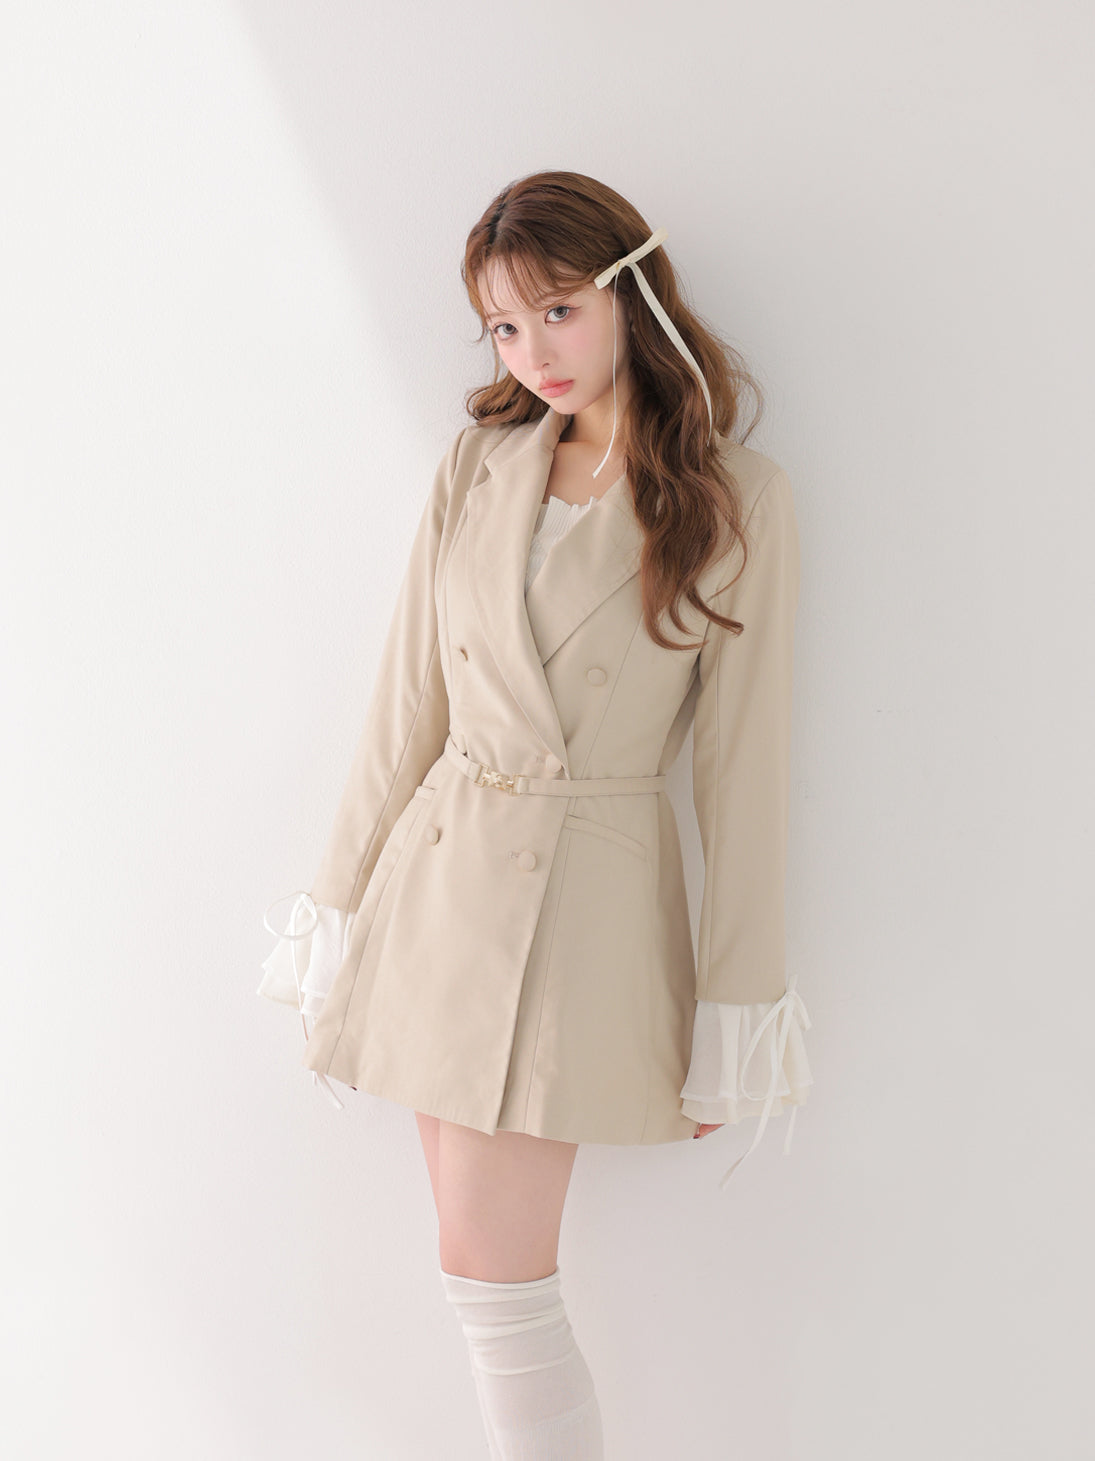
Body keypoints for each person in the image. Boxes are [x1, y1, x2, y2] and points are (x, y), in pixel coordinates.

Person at [258, 170, 813, 1458]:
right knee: (479, 1280)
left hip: (581, 908)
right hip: (439, 893)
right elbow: (407, 708)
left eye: (558, 310)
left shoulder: (736, 496)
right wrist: (334, 911)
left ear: (631, 293)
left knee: (502, 1289)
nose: (532, 353)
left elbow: (743, 773)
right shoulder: (479, 465)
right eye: (504, 327)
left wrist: (734, 1012)